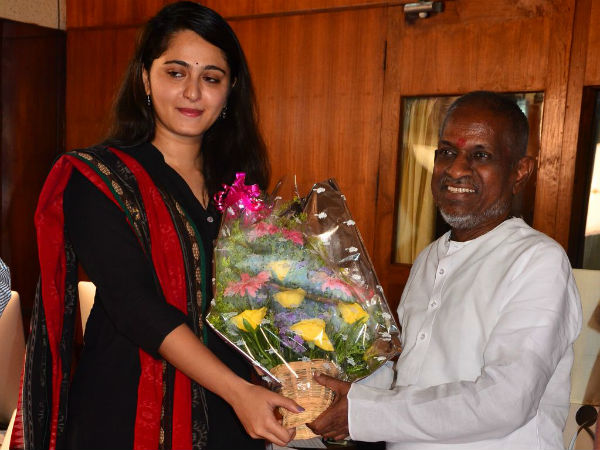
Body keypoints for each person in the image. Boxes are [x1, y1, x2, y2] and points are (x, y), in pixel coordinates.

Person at [12, 3, 302, 450]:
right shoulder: (100, 179)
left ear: (230, 91)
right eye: (176, 72)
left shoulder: (241, 190)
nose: (192, 92)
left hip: (233, 418)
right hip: (129, 414)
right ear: (145, 79)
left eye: (211, 78)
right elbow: (135, 305)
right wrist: (238, 391)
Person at [308, 91, 582, 450]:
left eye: (480, 155)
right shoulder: (429, 258)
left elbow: (505, 402)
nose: (455, 169)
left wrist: (363, 415)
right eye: (447, 152)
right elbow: (411, 379)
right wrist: (331, 389)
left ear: (520, 172)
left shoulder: (538, 261)